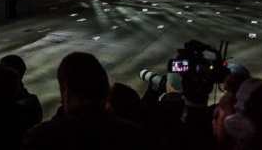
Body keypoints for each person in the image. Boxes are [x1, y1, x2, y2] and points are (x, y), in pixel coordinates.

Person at [22, 51, 168, 149]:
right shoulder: (147, 139)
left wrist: (62, 115)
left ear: (66, 93)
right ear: (105, 93)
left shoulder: (39, 139)